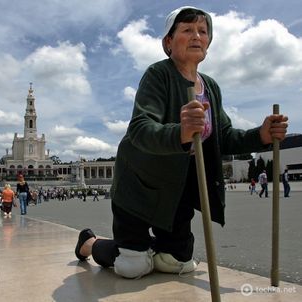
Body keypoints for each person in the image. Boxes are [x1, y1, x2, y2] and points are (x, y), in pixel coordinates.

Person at [74, 6, 288, 279]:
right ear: (168, 42)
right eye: (187, 30)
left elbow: (223, 136)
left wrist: (261, 135)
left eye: (203, 31)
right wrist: (181, 132)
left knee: (177, 262)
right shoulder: (158, 75)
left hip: (176, 190)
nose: (197, 35)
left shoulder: (210, 86)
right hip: (139, 184)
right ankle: (90, 243)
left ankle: (144, 249)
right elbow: (140, 128)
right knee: (133, 267)